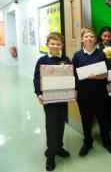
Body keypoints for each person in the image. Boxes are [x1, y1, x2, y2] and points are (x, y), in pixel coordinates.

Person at [72, 27, 111, 157]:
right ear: (82, 39)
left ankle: (107, 142)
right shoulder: (77, 55)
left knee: (103, 118)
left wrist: (96, 76)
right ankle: (87, 142)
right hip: (83, 93)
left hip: (99, 92)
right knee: (86, 119)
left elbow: (105, 75)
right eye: (86, 36)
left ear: (95, 39)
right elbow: (74, 75)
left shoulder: (101, 54)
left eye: (91, 36)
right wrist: (75, 90)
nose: (89, 39)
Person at [33, 32, 71, 171]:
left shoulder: (66, 59)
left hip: (63, 98)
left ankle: (59, 148)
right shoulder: (42, 60)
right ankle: (50, 155)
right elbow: (37, 78)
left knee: (61, 123)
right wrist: (38, 93)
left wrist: (73, 91)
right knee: (51, 126)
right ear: (47, 45)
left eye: (58, 44)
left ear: (62, 45)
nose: (55, 46)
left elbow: (71, 76)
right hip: (49, 100)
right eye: (52, 44)